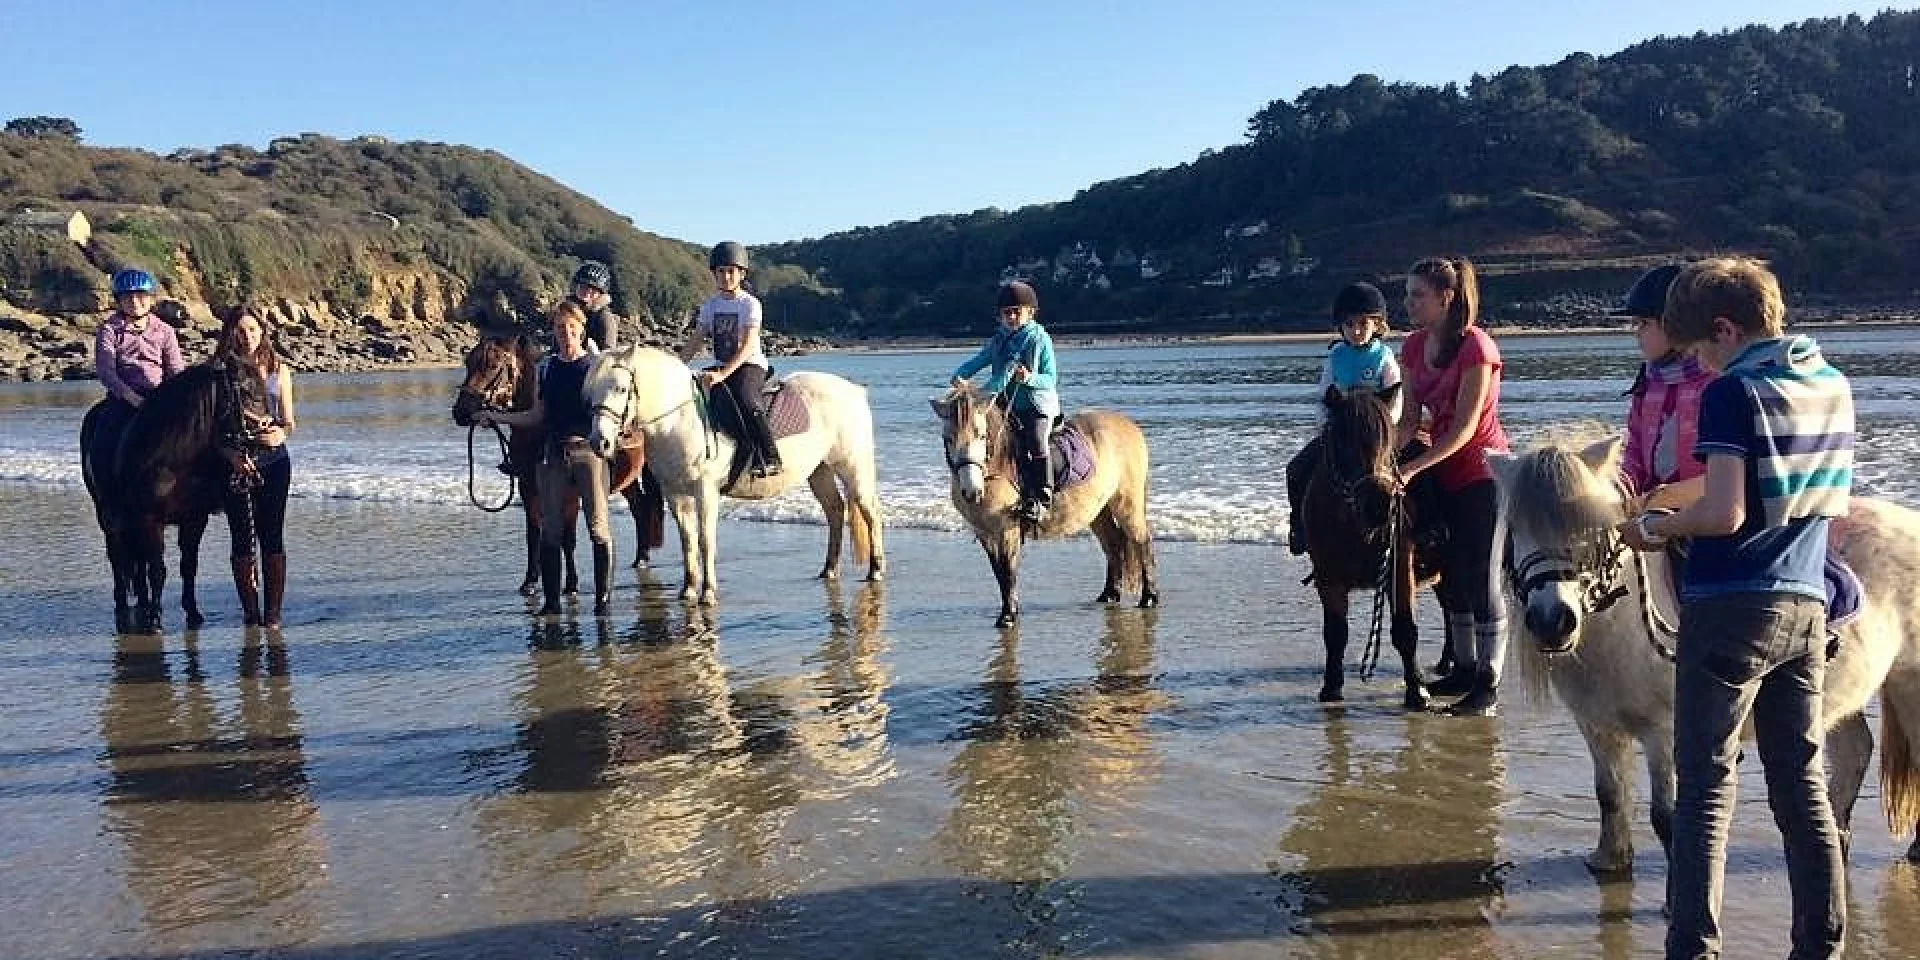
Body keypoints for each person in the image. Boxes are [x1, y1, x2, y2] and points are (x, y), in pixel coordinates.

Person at [1620, 258, 1853, 960]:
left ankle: (1693, 948)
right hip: (1806, 603)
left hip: (1729, 605)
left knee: (1705, 792)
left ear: (1725, 329)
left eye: (1700, 347)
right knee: (1801, 787)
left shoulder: (1733, 391)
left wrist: (1656, 528)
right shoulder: (1832, 383)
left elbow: (1724, 514)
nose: (1699, 362)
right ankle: (1821, 945)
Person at [1396, 257, 1511, 716]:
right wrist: (1384, 459)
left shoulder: (1477, 347)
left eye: (1417, 295)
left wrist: (1412, 468)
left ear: (1445, 298)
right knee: (1452, 572)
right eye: (1407, 295)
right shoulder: (1412, 347)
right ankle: (1463, 668)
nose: (1408, 304)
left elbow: (1464, 429)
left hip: (1482, 471)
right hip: (1439, 470)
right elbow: (1409, 420)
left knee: (1481, 575)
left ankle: (1488, 683)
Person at [481, 301, 615, 616]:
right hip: (554, 454)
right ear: (554, 331)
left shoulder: (596, 366)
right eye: (559, 327)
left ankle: (602, 602)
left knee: (597, 528)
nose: (565, 333)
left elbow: (609, 412)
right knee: (551, 529)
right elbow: (536, 415)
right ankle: (552, 603)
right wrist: (495, 416)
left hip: (588, 453)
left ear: (581, 329)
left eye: (571, 327)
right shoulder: (546, 368)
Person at [1286, 282, 1403, 555]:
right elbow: (1323, 396)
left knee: (1413, 471)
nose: (1356, 331)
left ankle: (1424, 529)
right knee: (1296, 469)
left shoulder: (1383, 357)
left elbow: (1396, 396)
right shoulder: (1336, 356)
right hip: (1341, 432)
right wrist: (1325, 426)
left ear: (1377, 325)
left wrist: (1386, 426)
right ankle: (1299, 527)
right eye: (1350, 324)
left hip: (1377, 434)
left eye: (1363, 324)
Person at [949, 280, 1060, 523]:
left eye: (1016, 312)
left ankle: (1043, 498)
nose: (1010, 317)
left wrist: (1029, 378)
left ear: (1030, 312)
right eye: (1006, 313)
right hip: (1004, 406)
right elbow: (979, 360)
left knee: (1036, 441)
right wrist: (959, 375)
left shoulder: (1039, 339)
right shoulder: (998, 340)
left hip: (1036, 406)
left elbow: (1050, 379)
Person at [213, 305, 296, 628]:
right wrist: (231, 455)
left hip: (274, 461)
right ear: (230, 334)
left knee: (272, 536)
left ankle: (273, 614)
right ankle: (250, 613)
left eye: (252, 330)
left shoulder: (278, 369)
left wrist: (280, 433)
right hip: (234, 461)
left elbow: (289, 421)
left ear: (262, 332)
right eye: (239, 331)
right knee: (242, 538)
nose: (246, 337)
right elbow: (210, 430)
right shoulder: (219, 371)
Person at [1614, 264, 1714, 515]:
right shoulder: (1648, 384)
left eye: (1644, 323)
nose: (1637, 333)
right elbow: (1633, 454)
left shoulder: (1717, 383)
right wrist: (1620, 494)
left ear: (1675, 325)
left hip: (1704, 511)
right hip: (1652, 509)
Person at [680, 241, 782, 479]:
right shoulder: (710, 306)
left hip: (749, 364)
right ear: (714, 274)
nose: (726, 277)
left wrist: (722, 374)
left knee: (747, 399)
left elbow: (747, 346)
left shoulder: (750, 304)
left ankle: (770, 456)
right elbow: (695, 341)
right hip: (721, 366)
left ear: (741, 274)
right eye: (721, 271)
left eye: (731, 271)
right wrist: (676, 366)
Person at [90, 269, 185, 489]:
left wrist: (173, 399)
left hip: (159, 397)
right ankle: (106, 492)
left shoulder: (165, 331)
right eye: (128, 297)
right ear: (119, 301)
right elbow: (106, 372)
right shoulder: (109, 330)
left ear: (151, 299)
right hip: (123, 399)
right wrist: (131, 397)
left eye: (140, 296)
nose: (134, 301)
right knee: (103, 440)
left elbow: (175, 370)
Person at [567, 261, 621, 353]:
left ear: (601, 293)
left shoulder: (604, 317)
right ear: (576, 286)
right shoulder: (566, 311)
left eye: (594, 288)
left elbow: (608, 353)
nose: (588, 291)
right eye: (584, 285)